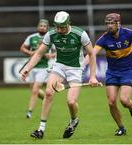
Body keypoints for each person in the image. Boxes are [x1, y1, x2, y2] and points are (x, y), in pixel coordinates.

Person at [20, 11, 99, 139]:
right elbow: (39, 53)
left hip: (75, 69)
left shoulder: (80, 34)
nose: (58, 29)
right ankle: (41, 129)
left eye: (61, 26)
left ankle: (73, 120)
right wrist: (27, 68)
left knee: (71, 101)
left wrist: (93, 76)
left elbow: (91, 54)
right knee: (49, 93)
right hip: (59, 66)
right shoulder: (51, 34)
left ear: (68, 24)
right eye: (56, 26)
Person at [20, 19, 55, 119]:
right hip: (32, 67)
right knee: (33, 89)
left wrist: (50, 55)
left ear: (47, 28)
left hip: (43, 68)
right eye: (41, 25)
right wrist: (30, 53)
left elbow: (57, 52)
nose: (42, 27)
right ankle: (47, 99)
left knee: (35, 90)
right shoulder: (31, 37)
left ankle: (29, 112)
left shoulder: (50, 38)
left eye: (44, 26)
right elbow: (22, 48)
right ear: (37, 27)